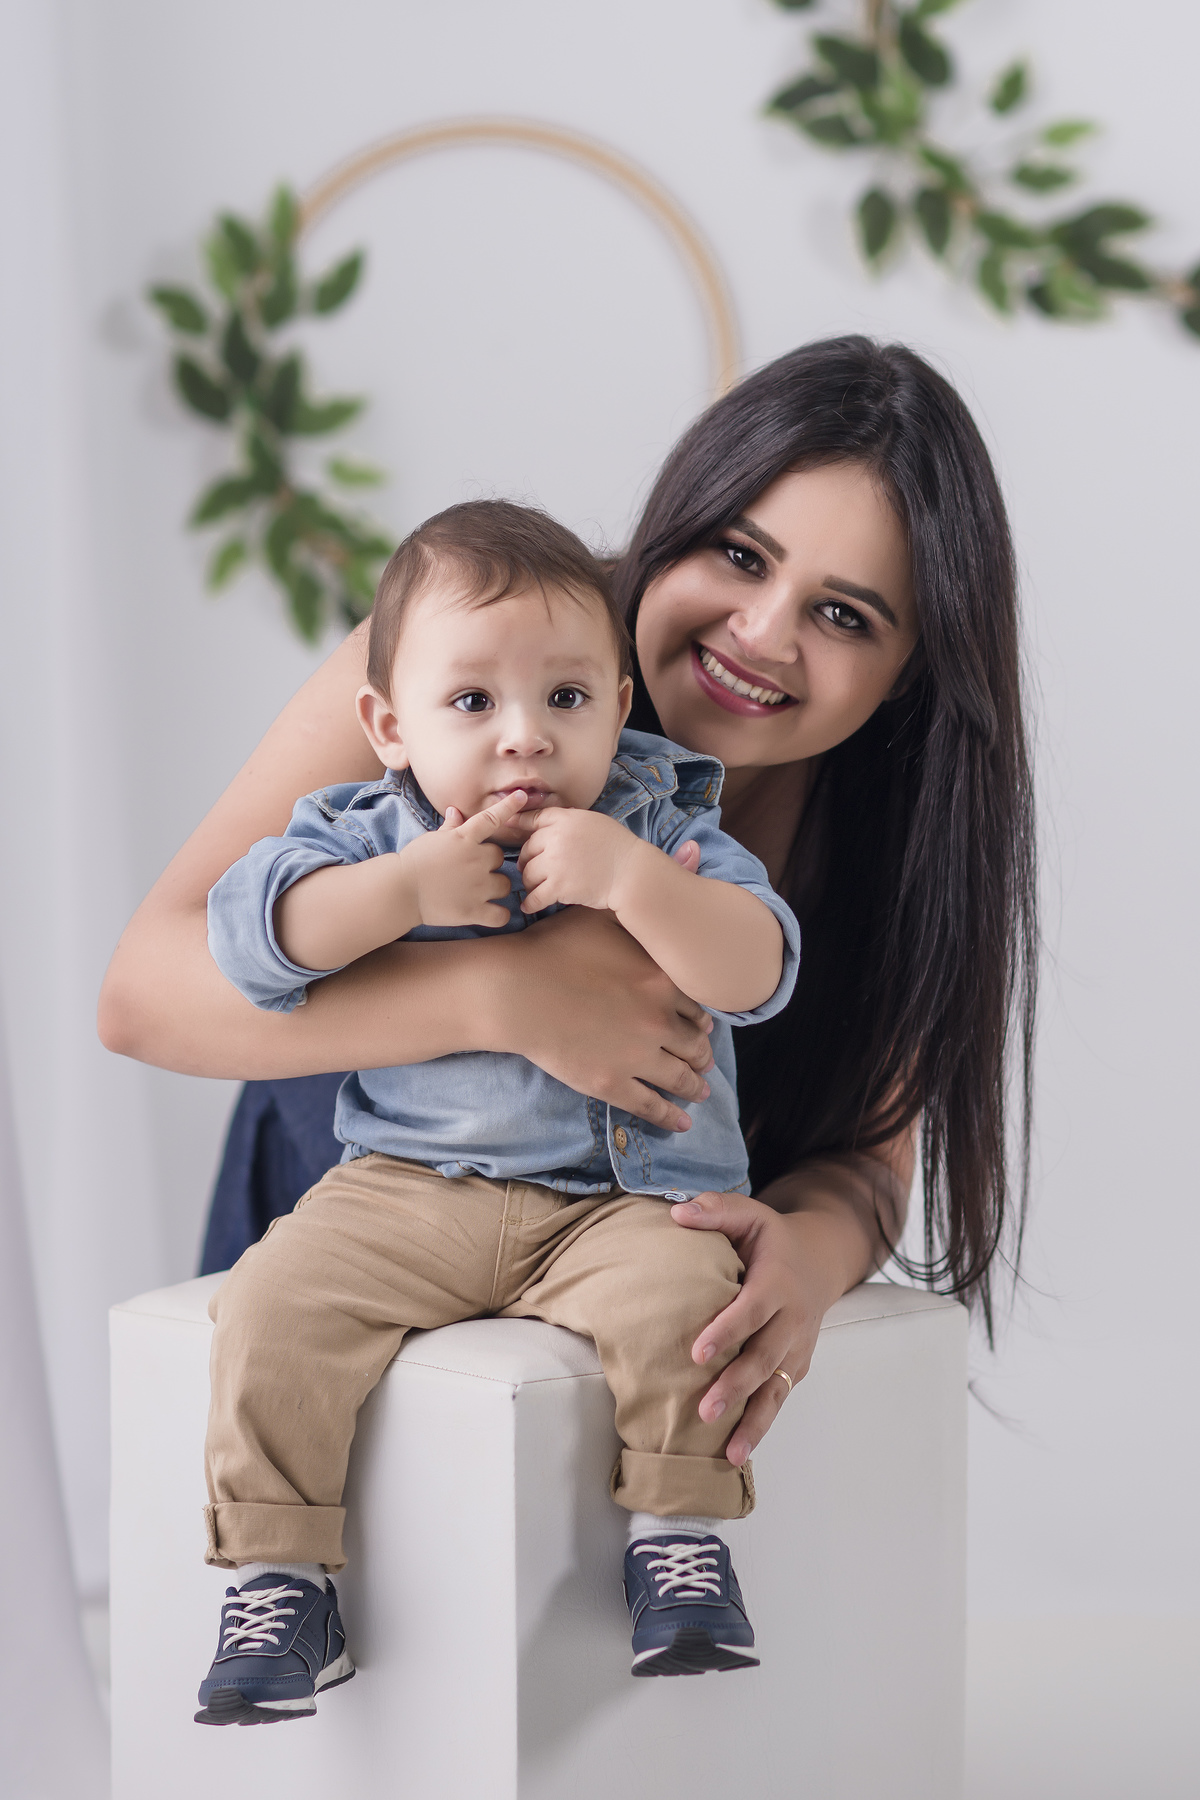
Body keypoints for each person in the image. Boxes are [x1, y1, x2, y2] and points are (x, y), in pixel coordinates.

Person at [99, 333, 1036, 1689]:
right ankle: (283, 1596)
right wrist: (501, 995)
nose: (763, 634)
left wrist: (811, 1257)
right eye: (742, 555)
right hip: (368, 1178)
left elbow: (870, 1166)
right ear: (678, 519)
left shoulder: (893, 837)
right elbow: (143, 991)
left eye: (845, 616)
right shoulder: (474, 651)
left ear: (908, 672)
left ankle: (677, 1560)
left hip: (628, 1246)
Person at [195, 501, 800, 1720]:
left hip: (620, 1201)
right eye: (472, 703)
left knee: (688, 1305)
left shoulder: (663, 822)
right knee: (267, 1306)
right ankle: (281, 1579)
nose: (525, 735)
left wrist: (634, 881)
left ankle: (676, 1543)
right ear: (390, 725)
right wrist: (398, 891)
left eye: (565, 699)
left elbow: (760, 969)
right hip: (408, 1191)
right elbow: (252, 942)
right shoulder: (366, 832)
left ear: (618, 708)